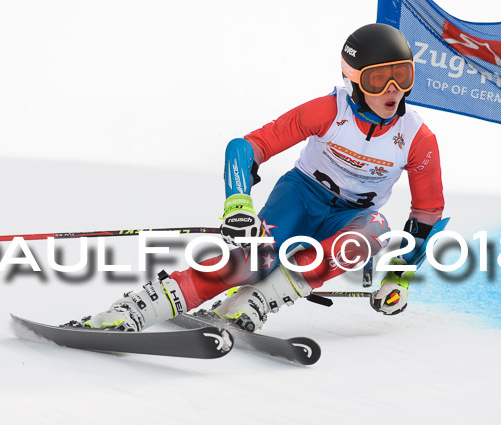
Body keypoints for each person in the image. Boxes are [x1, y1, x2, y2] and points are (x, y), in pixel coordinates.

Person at [73, 23, 444, 333]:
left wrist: (400, 277)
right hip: (301, 196)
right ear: (354, 80)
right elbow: (245, 147)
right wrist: (238, 204)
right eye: (378, 79)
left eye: (402, 75)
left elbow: (426, 214)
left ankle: (254, 301)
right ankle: (133, 311)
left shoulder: (417, 138)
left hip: (352, 217)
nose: (392, 90)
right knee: (252, 261)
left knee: (376, 230)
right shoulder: (328, 111)